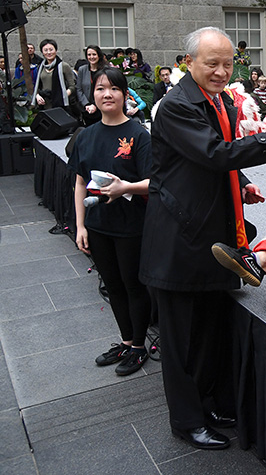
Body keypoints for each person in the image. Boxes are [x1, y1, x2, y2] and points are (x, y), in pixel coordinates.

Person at [140, 27, 266, 451]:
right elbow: (213, 153)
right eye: (211, 63)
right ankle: (187, 420)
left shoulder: (218, 99)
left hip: (209, 232)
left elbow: (211, 156)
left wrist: (242, 182)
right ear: (188, 63)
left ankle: (210, 404)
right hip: (181, 239)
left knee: (211, 330)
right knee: (181, 340)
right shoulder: (177, 105)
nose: (220, 71)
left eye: (227, 63)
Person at [70, 67, 153, 377]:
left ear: (124, 94)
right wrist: (80, 226)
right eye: (101, 89)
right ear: (94, 94)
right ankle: (126, 340)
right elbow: (79, 183)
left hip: (131, 225)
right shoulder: (86, 136)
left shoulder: (138, 134)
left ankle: (139, 346)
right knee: (113, 286)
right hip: (98, 224)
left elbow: (154, 182)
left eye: (114, 89)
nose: (107, 94)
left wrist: (126, 188)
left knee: (133, 286)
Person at [30, 39, 78, 117]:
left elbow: (72, 86)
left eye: (51, 49)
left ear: (56, 50)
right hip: (45, 104)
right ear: (42, 52)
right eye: (45, 50)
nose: (49, 52)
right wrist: (37, 96)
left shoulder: (64, 66)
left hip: (60, 104)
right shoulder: (40, 67)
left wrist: (63, 95)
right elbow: (37, 86)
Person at [75, 45, 108, 126]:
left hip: (102, 108)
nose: (91, 57)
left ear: (99, 55)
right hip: (87, 109)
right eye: (89, 55)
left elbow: (106, 89)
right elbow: (78, 89)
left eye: (94, 54)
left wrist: (95, 105)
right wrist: (86, 104)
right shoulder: (82, 69)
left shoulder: (105, 70)